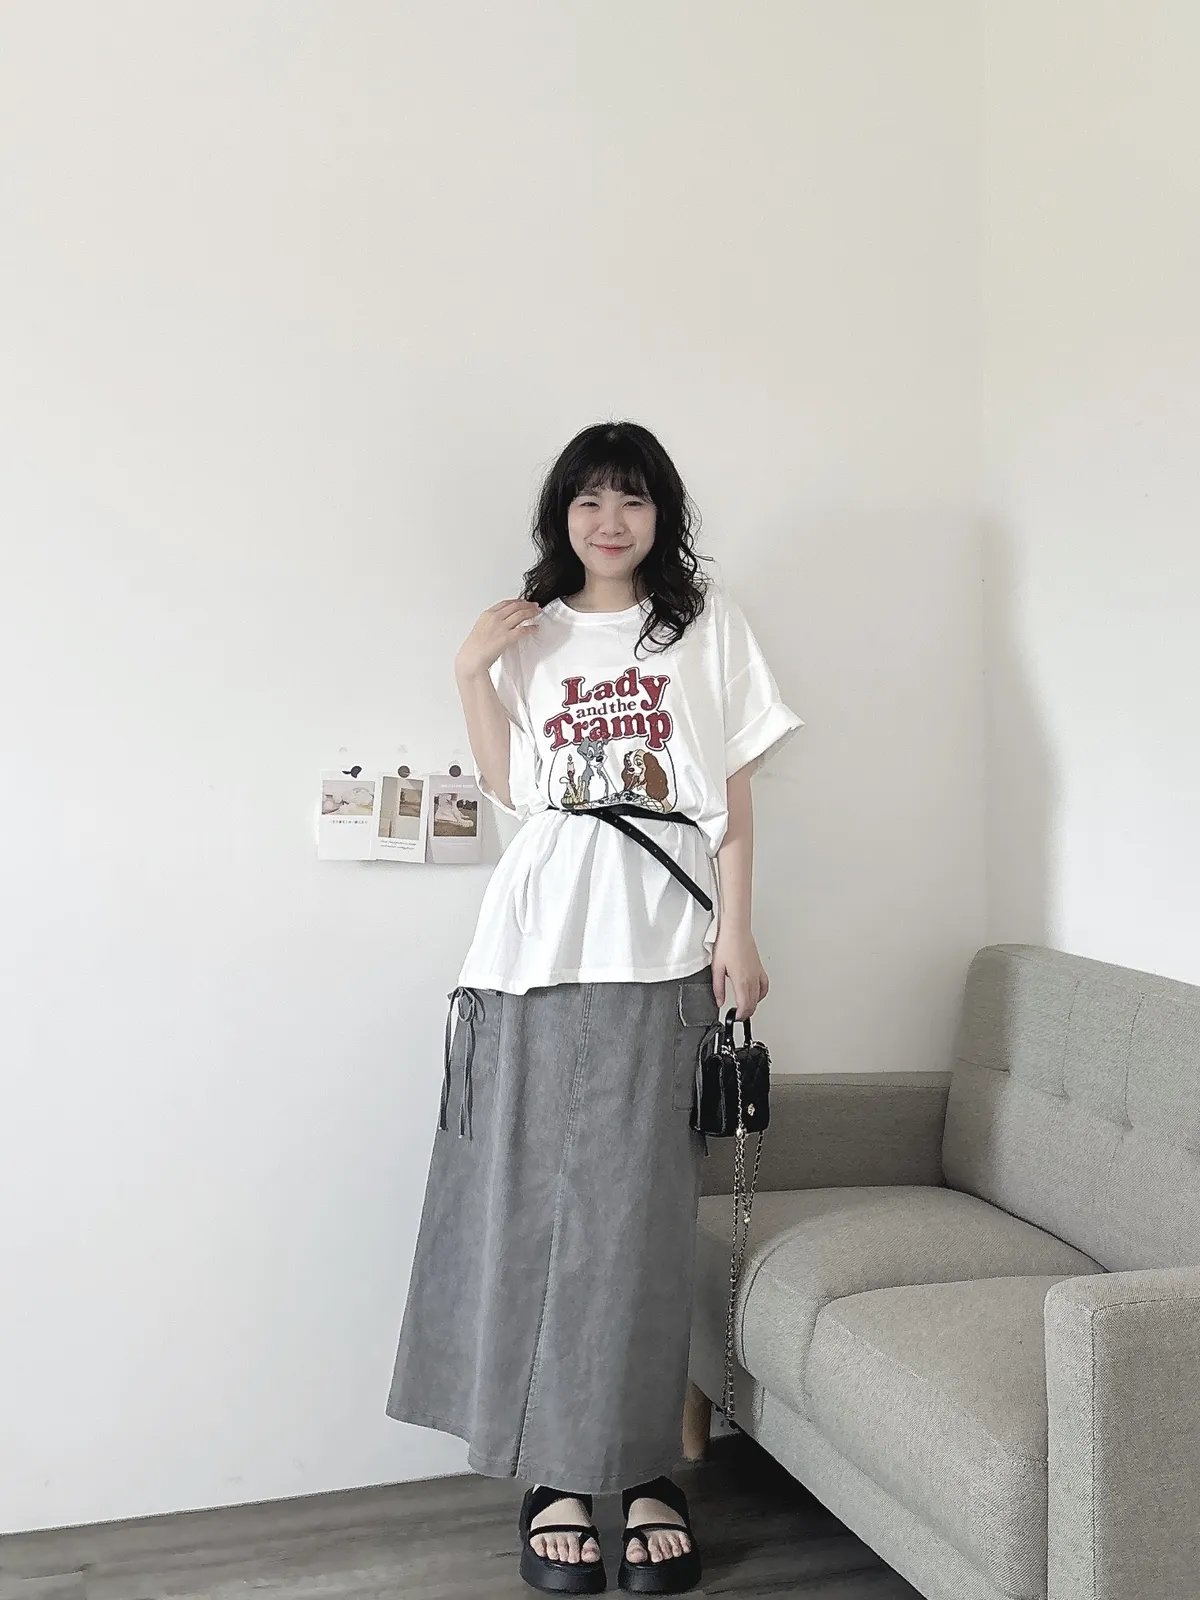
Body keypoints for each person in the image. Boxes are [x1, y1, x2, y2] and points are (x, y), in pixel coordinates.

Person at [385, 420, 804, 1594]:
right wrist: (469, 672)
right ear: (560, 516)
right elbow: (516, 789)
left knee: (641, 1219)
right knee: (526, 1207)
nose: (609, 520)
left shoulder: (703, 626)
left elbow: (730, 796)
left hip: (661, 946)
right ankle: (554, 1477)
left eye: (632, 498)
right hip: (533, 946)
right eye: (588, 500)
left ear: (662, 514)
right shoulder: (530, 633)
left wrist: (737, 927)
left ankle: (645, 1467)